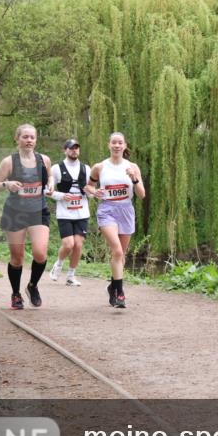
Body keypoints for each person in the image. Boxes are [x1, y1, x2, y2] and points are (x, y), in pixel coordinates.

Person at [0, 124, 54, 310]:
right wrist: (7, 184)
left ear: (36, 140)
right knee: (17, 257)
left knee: (40, 253)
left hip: (38, 211)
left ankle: (32, 286)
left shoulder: (44, 160)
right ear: (17, 139)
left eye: (32, 137)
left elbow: (49, 177)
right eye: (25, 137)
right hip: (15, 212)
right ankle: (16, 293)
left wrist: (51, 185)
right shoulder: (9, 162)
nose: (29, 140)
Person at [85, 132, 145, 309]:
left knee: (121, 255)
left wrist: (134, 178)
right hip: (107, 210)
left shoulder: (132, 166)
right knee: (117, 251)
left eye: (120, 143)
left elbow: (141, 195)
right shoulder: (100, 167)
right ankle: (120, 293)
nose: (117, 145)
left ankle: (112, 286)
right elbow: (88, 186)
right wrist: (94, 192)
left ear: (125, 146)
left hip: (126, 210)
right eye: (114, 142)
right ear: (108, 145)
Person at [49, 139, 91, 286]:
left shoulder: (86, 168)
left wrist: (93, 192)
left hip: (82, 213)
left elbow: (91, 190)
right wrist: (61, 196)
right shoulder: (56, 168)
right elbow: (48, 191)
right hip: (65, 213)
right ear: (65, 150)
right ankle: (58, 264)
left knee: (78, 245)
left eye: (76, 148)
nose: (74, 151)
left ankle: (71, 276)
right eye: (71, 148)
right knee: (68, 245)